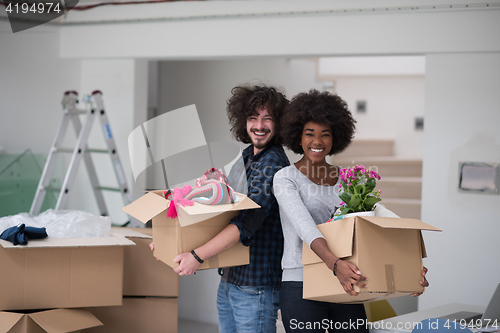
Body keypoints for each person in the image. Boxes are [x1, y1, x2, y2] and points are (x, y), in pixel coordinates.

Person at [273, 89, 429, 333]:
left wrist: (410, 265)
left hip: (346, 283)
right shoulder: (285, 178)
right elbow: (305, 227)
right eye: (309, 134)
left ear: (336, 138)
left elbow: (381, 217)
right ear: (298, 136)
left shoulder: (347, 179)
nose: (317, 141)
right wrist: (335, 265)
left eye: (325, 134)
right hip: (301, 285)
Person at [172, 84, 290, 333]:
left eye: (268, 119)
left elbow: (246, 221)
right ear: (243, 122)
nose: (259, 125)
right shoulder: (248, 155)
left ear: (279, 124)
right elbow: (223, 210)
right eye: (253, 118)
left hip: (255, 285)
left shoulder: (273, 163)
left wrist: (196, 256)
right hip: (231, 279)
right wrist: (172, 242)